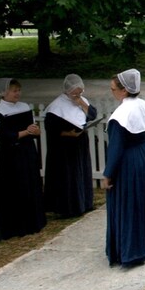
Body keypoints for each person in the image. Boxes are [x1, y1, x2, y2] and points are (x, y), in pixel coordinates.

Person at [103, 69, 145, 267]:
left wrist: (108, 174)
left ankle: (132, 251)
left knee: (129, 203)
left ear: (124, 91)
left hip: (128, 162)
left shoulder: (120, 115)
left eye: (113, 89)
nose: (112, 92)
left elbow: (116, 147)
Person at [0, 78, 46, 238]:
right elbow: (5, 136)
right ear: (4, 93)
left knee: (31, 182)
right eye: (14, 91)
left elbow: (33, 128)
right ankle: (16, 224)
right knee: (16, 186)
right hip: (11, 155)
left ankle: (33, 221)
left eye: (18, 90)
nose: (17, 94)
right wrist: (26, 132)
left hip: (27, 151)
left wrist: (35, 132)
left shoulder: (24, 107)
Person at [43, 74, 98, 218]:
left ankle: (84, 202)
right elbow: (52, 129)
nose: (78, 95)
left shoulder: (81, 101)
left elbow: (92, 115)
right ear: (67, 91)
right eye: (75, 93)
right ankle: (69, 207)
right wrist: (68, 133)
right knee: (69, 177)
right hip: (64, 148)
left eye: (80, 93)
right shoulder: (56, 107)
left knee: (82, 172)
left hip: (80, 144)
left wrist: (81, 102)